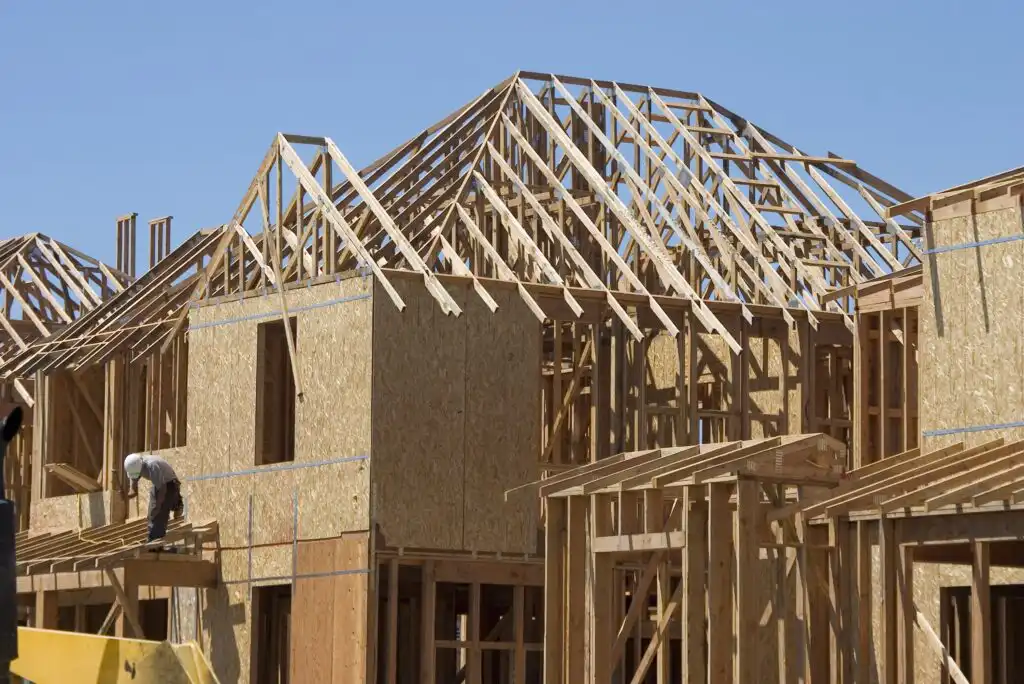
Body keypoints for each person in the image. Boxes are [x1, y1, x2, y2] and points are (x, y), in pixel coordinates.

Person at [123, 452, 184, 544]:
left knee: (159, 512)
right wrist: (133, 490)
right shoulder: (136, 464)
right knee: (152, 512)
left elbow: (162, 488)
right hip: (160, 484)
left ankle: (155, 542)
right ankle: (153, 535)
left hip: (170, 483)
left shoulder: (152, 466)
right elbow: (134, 477)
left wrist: (158, 506)